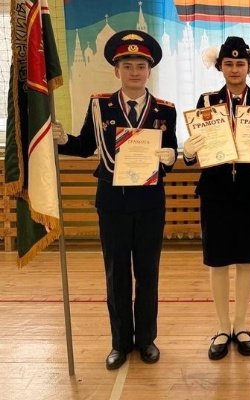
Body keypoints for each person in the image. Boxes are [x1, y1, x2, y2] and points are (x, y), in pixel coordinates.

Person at [52, 30, 177, 369]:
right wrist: (62, 140)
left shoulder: (165, 110)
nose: (134, 72)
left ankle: (146, 340)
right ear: (116, 70)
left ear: (149, 70)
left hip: (150, 202)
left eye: (141, 66)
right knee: (117, 274)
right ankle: (120, 343)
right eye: (128, 65)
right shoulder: (100, 105)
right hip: (113, 202)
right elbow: (84, 146)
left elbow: (170, 150)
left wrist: (170, 157)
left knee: (148, 273)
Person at [182, 36, 250, 360]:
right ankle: (223, 327)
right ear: (220, 66)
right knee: (218, 260)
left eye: (240, 63)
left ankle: (242, 326)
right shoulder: (207, 101)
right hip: (216, 190)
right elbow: (198, 149)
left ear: (249, 67)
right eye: (229, 63)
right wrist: (189, 153)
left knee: (247, 259)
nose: (235, 69)